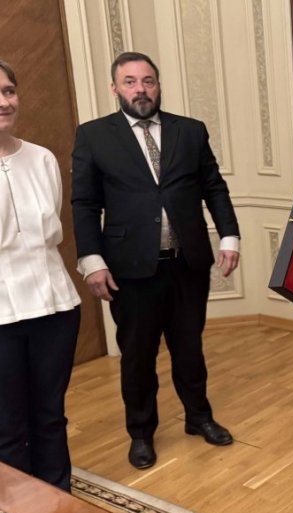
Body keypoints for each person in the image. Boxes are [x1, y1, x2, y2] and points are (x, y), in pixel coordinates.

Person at [71, 52, 240, 470]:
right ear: (115, 89)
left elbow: (214, 187)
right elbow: (85, 203)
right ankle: (141, 433)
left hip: (187, 264)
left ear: (158, 85)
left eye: (148, 81)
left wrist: (230, 236)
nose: (140, 89)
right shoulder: (94, 136)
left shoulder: (190, 131)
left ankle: (199, 417)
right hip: (130, 269)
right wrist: (92, 259)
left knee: (189, 348)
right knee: (137, 355)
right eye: (130, 82)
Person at [0, 59, 82, 491]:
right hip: (1, 318)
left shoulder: (43, 158)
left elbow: (51, 234)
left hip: (55, 307)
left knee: (50, 415)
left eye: (9, 91)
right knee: (7, 426)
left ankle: (56, 497)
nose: (4, 101)